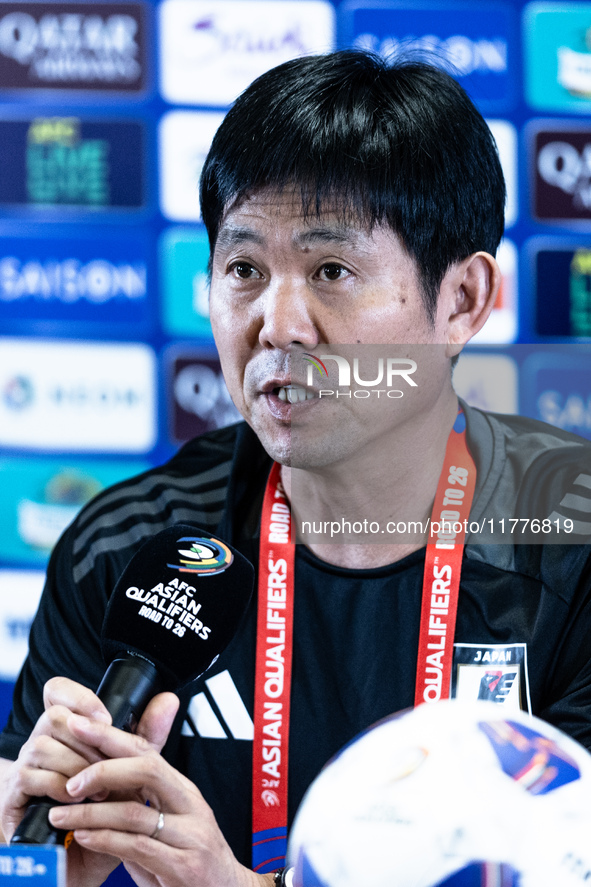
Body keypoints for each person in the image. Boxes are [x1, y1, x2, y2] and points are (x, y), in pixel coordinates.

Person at [1, 49, 591, 887]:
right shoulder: (129, 546)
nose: (278, 324)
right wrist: (34, 860)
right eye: (243, 269)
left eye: (330, 271)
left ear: (460, 300)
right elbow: (25, 859)